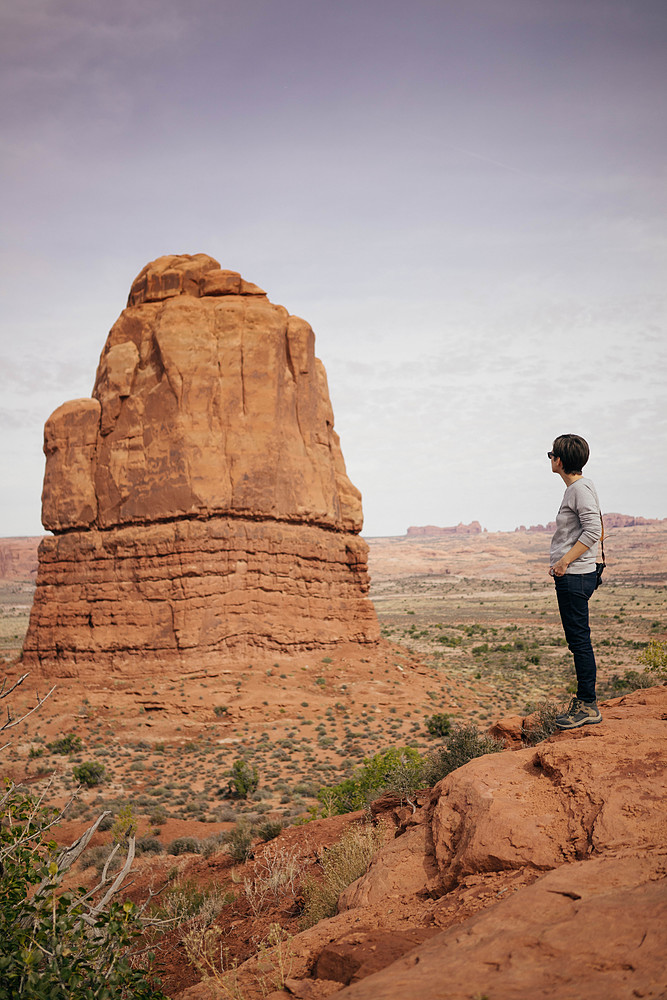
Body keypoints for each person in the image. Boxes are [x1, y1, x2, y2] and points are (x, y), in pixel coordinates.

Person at [548, 433, 603, 729]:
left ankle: (588, 705)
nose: (550, 459)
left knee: (579, 642)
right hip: (580, 573)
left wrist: (565, 561)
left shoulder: (578, 490)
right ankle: (586, 701)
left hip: (574, 576)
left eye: (551, 455)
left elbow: (593, 530)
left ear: (560, 460)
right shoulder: (583, 486)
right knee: (578, 640)